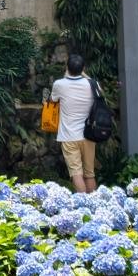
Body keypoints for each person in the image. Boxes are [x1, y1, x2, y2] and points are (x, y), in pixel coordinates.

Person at [50, 53, 97, 193]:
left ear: (66, 67)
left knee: (76, 174)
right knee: (90, 173)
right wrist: (85, 75)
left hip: (69, 136)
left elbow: (52, 101)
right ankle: (96, 207)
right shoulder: (92, 84)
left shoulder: (59, 84)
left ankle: (82, 207)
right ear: (83, 68)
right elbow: (100, 94)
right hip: (89, 134)